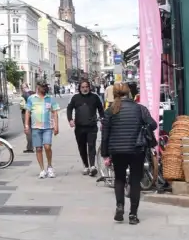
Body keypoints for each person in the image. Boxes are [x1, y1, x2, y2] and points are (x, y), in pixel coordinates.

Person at [100, 82, 157, 224]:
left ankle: (120, 206)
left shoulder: (110, 111)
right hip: (136, 149)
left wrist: (105, 153)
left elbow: (105, 134)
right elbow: (153, 124)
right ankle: (133, 214)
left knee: (119, 178)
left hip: (117, 150)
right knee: (135, 181)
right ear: (129, 93)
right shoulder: (140, 109)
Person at [66, 79, 105, 177]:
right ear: (79, 88)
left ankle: (92, 166)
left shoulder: (95, 97)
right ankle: (86, 166)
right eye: (83, 87)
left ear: (89, 87)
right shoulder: (75, 98)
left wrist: (102, 120)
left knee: (91, 146)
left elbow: (101, 109)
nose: (85, 89)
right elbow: (69, 108)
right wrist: (70, 119)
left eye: (86, 87)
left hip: (92, 126)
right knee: (82, 147)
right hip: (79, 127)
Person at [24, 81, 59, 177]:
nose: (44, 88)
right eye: (43, 86)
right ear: (38, 87)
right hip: (36, 127)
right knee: (38, 148)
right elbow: (27, 112)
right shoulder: (31, 98)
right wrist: (26, 125)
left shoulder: (50, 98)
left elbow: (55, 112)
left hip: (48, 127)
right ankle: (42, 169)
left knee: (47, 147)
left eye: (45, 86)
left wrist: (56, 126)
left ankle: (50, 166)